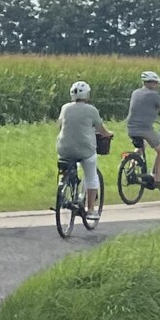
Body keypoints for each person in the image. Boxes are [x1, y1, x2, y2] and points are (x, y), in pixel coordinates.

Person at [56, 81, 113, 219]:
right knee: (91, 176)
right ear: (87, 94)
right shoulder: (91, 110)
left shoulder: (65, 108)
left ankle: (65, 186)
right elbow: (101, 130)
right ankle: (91, 209)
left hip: (64, 148)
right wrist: (109, 134)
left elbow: (59, 125)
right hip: (85, 150)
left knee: (68, 166)